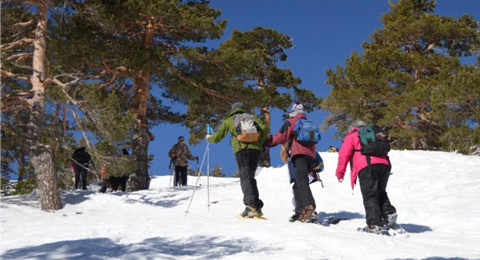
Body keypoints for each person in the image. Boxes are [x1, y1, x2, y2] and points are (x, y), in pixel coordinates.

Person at [206, 102, 269, 218]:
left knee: (245, 177)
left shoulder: (231, 119)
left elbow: (218, 137)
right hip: (255, 151)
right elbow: (264, 128)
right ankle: (256, 206)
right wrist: (259, 143)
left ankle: (251, 207)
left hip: (241, 150)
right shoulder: (252, 117)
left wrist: (209, 138)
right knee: (250, 177)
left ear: (233, 110)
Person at [335, 120, 397, 233]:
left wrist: (340, 173)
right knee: (380, 191)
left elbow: (343, 155)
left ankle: (374, 224)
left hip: (367, 166)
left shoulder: (353, 135)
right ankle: (389, 213)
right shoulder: (375, 133)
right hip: (384, 165)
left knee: (370, 195)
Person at [265, 102, 318, 222]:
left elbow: (281, 136)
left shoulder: (292, 121)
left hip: (299, 154)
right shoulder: (308, 122)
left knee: (302, 179)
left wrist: (268, 142)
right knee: (297, 183)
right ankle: (300, 210)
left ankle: (309, 207)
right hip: (311, 155)